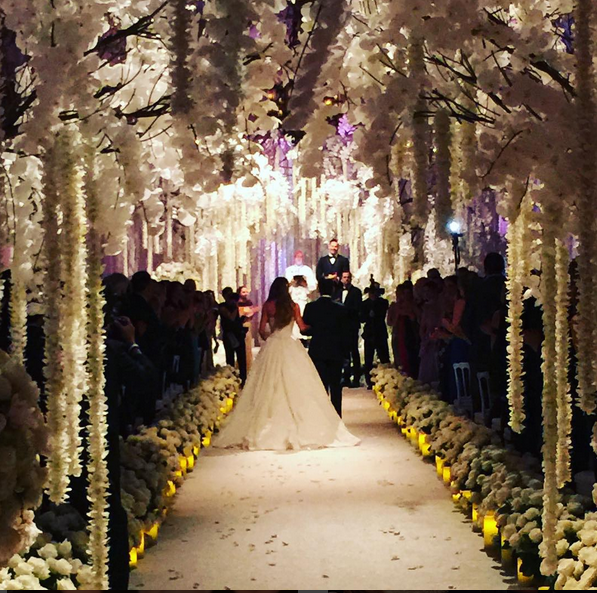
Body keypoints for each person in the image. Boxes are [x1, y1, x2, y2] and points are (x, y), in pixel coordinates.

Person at [213, 277, 359, 450]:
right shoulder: (293, 306)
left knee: (267, 384)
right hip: (290, 345)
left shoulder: (268, 305)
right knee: (297, 383)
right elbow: (303, 327)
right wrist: (321, 329)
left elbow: (261, 330)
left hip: (273, 345)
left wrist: (271, 339)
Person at [302, 279, 350, 416]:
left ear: (318, 290)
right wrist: (346, 354)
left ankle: (322, 416)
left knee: (320, 386)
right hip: (336, 351)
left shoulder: (311, 307)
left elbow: (306, 330)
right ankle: (337, 416)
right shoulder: (340, 309)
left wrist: (317, 330)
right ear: (333, 290)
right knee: (336, 386)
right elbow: (345, 333)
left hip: (318, 350)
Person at [360, 276, 390, 389]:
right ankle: (369, 381)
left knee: (384, 356)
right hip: (369, 333)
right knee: (368, 359)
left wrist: (374, 313)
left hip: (380, 331)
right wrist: (368, 315)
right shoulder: (364, 304)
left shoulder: (383, 303)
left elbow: (382, 314)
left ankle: (386, 379)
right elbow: (362, 318)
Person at [334, 271, 362, 387]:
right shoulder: (337, 292)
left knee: (354, 351)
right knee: (343, 352)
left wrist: (344, 310)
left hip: (352, 325)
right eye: (344, 277)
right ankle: (345, 377)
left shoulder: (356, 292)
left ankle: (356, 378)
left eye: (348, 277)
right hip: (340, 326)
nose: (346, 279)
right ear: (341, 279)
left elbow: (357, 308)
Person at [387, 282, 419, 379]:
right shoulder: (394, 306)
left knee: (409, 356)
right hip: (397, 333)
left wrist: (408, 313)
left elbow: (417, 319)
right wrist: (397, 313)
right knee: (398, 355)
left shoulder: (413, 305)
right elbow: (390, 322)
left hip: (410, 334)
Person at [219, 287, 248, 386]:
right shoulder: (222, 306)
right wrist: (235, 307)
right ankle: (231, 381)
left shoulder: (236, 305)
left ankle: (243, 379)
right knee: (230, 359)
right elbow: (230, 317)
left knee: (242, 358)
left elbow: (237, 320)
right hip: (229, 334)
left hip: (238, 334)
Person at [237, 285, 259, 372]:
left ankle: (248, 366)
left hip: (248, 325)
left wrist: (252, 312)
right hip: (240, 326)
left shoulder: (249, 302)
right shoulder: (237, 303)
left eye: (246, 292)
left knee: (248, 347)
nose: (245, 294)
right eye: (243, 292)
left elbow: (251, 315)